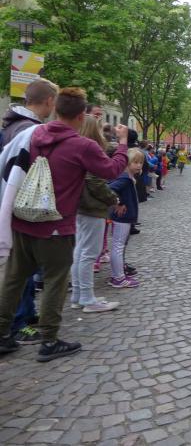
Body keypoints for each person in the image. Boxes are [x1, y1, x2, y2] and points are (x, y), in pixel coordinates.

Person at [0, 87, 129, 362]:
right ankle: (49, 341)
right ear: (81, 115)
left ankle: (1, 335)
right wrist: (122, 144)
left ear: (56, 109)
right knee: (55, 282)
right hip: (56, 226)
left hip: (23, 219)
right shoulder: (82, 145)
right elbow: (111, 170)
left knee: (13, 279)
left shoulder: (32, 134)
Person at [0, 79, 58, 343]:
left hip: (15, 203)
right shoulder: (29, 130)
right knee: (20, 269)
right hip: (21, 205)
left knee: (22, 267)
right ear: (49, 100)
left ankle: (25, 313)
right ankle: (19, 322)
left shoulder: (16, 125)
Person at [70, 116, 121, 311]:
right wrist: (113, 198)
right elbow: (95, 181)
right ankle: (87, 299)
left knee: (80, 251)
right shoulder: (91, 149)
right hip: (92, 207)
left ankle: (79, 295)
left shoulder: (76, 147)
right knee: (89, 253)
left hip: (81, 207)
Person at [107, 149, 144, 288]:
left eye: (140, 162)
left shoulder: (127, 177)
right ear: (127, 163)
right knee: (118, 246)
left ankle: (118, 273)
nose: (139, 165)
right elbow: (109, 189)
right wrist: (118, 202)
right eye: (135, 162)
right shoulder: (124, 178)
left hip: (124, 218)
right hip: (122, 218)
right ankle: (118, 278)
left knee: (120, 246)